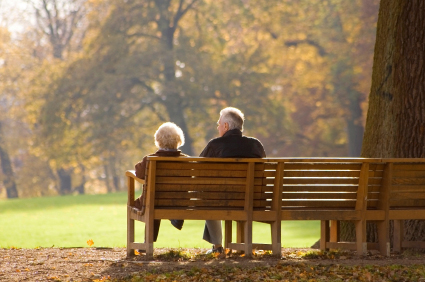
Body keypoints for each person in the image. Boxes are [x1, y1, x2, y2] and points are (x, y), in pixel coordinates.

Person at [199, 107, 266, 254]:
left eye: (219, 123)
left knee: (207, 195)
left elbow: (198, 170)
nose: (217, 127)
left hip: (222, 201)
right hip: (254, 200)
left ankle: (217, 247)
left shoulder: (215, 145)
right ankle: (225, 245)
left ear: (226, 126)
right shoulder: (256, 145)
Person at [133, 122, 187, 242]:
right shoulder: (186, 161)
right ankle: (174, 216)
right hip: (177, 203)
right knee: (156, 197)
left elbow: (139, 173)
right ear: (179, 140)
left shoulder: (150, 160)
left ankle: (148, 242)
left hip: (153, 202)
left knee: (152, 198)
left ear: (158, 140)